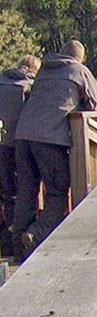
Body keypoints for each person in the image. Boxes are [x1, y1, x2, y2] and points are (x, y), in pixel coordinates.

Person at [12, 39, 97, 260]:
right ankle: (36, 233)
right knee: (58, 192)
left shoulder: (44, 70)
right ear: (81, 58)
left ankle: (17, 248)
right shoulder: (79, 71)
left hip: (23, 136)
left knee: (26, 191)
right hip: (50, 138)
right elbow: (95, 105)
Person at [0, 54, 40, 257]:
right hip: (20, 144)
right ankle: (20, 243)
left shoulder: (1, 81)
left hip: (1, 142)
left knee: (7, 195)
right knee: (23, 193)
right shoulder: (30, 86)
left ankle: (5, 244)